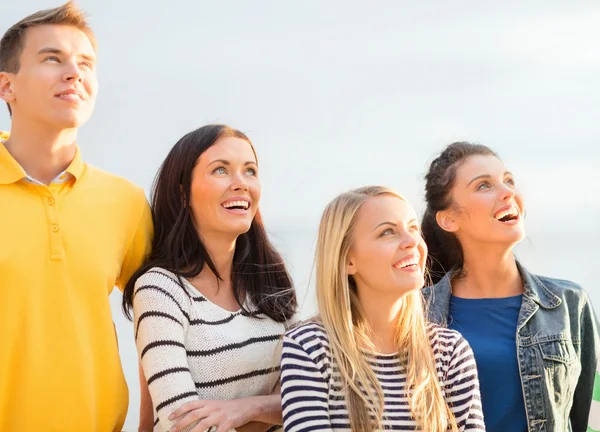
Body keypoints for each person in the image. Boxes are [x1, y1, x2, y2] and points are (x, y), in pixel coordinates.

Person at [0, 2, 152, 430]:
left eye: (85, 63)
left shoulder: (126, 202)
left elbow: (162, 326)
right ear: (6, 86)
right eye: (53, 59)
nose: (74, 72)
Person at [123, 124, 297, 432]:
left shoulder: (269, 281)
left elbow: (313, 396)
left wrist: (245, 409)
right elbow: (184, 423)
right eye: (220, 170)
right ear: (182, 193)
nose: (241, 183)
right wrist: (273, 409)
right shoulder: (159, 290)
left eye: (250, 171)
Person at [421, 142, 600, 432]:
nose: (508, 192)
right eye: (483, 186)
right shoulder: (415, 313)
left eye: (508, 180)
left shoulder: (569, 303)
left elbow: (594, 420)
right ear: (449, 219)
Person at [280, 186, 485, 432]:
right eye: (388, 232)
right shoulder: (308, 347)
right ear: (348, 260)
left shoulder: (449, 352)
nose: (412, 242)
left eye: (412, 228)